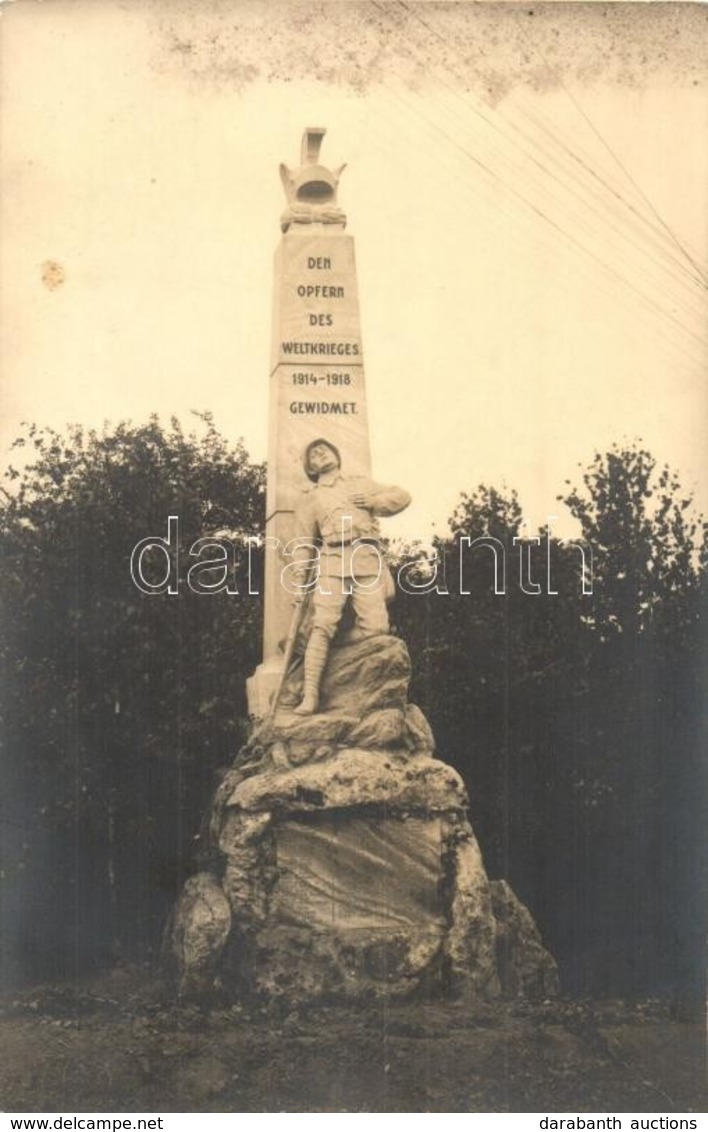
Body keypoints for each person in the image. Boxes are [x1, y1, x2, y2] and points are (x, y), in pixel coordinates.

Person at [289, 438, 411, 715]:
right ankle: (310, 695)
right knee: (322, 625)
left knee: (376, 628)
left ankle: (329, 646)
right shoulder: (311, 499)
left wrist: (374, 502)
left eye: (325, 449)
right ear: (309, 467)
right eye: (314, 454)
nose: (320, 453)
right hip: (332, 561)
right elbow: (303, 545)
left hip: (365, 560)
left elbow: (402, 496)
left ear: (337, 454)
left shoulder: (360, 483)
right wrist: (298, 585)